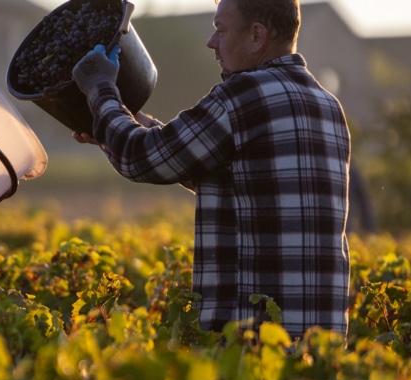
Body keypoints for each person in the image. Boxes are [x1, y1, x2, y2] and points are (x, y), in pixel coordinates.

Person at [71, 0, 350, 339]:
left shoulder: (244, 95)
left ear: (257, 36)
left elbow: (141, 158)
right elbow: (232, 177)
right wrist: (119, 123)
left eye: (220, 30)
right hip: (320, 350)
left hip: (253, 347)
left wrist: (100, 89)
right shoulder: (327, 106)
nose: (211, 43)